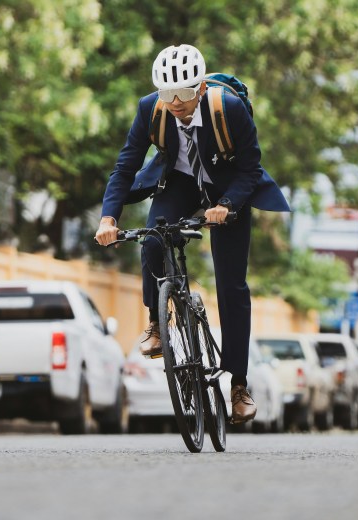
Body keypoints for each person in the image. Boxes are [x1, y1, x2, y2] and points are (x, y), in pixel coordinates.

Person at [95, 44, 290, 424]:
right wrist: (108, 218)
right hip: (180, 181)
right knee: (153, 238)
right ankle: (156, 320)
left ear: (199, 88)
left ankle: (238, 385)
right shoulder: (150, 108)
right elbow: (125, 167)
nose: (176, 103)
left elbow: (251, 169)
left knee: (232, 285)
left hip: (229, 185)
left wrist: (229, 205)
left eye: (184, 94)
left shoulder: (227, 108)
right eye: (168, 94)